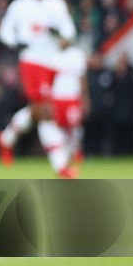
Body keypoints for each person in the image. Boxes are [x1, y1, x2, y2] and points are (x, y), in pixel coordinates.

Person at [0, 0, 77, 177]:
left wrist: (65, 39)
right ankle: (61, 167)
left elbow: (69, 31)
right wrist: (18, 43)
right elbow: (5, 32)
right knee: (45, 111)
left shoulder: (57, 4)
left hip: (53, 63)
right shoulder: (19, 6)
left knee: (36, 110)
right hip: (31, 61)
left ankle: (5, 139)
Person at [50, 45, 90, 177]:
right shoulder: (51, 52)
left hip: (72, 97)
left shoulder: (77, 54)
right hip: (55, 98)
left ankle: (75, 152)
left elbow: (82, 77)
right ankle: (64, 161)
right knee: (57, 130)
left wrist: (85, 98)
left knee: (74, 128)